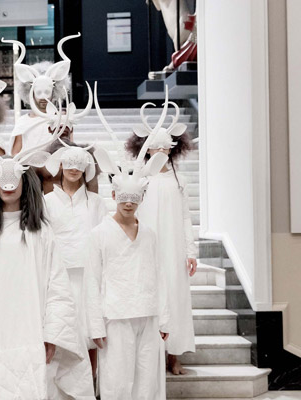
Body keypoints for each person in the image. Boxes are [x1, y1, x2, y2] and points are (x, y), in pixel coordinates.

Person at [0, 117, 94, 399]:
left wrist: (53, 333)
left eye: (15, 177)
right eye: (2, 178)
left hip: (31, 330)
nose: (9, 184)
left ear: (24, 180)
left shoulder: (41, 233)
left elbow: (57, 287)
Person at [87, 93, 172, 399]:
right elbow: (91, 281)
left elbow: (159, 274)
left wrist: (164, 316)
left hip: (147, 314)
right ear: (113, 196)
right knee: (117, 381)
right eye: (123, 198)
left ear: (141, 199)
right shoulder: (99, 234)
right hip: (116, 316)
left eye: (134, 199)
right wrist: (95, 325)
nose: (127, 204)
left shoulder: (149, 234)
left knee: (147, 382)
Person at [126, 102, 197, 375]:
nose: (160, 152)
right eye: (155, 147)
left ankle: (173, 356)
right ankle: (149, 355)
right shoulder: (139, 178)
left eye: (164, 147)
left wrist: (190, 251)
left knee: (175, 297)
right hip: (146, 248)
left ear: (171, 149)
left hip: (174, 249)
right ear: (146, 149)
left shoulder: (179, 181)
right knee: (148, 296)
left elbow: (185, 217)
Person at [44, 140, 107, 380]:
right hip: (58, 277)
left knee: (90, 331)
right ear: (60, 164)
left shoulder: (96, 203)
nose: (74, 168)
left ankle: (91, 383)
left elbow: (104, 239)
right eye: (69, 163)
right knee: (61, 329)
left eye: (79, 163)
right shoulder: (46, 202)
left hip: (89, 276)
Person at [2, 34, 80, 154]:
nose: (43, 97)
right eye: (38, 92)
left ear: (54, 91)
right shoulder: (23, 122)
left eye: (47, 91)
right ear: (31, 93)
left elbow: (69, 149)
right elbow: (15, 154)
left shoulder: (63, 119)